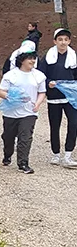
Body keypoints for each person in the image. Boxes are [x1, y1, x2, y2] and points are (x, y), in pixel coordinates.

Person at [0, 51, 46, 173]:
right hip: (11, 112)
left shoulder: (39, 76)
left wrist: (38, 103)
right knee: (8, 137)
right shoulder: (11, 75)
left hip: (29, 112)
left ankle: (23, 163)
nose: (32, 61)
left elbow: (42, 92)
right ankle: (7, 154)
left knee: (25, 137)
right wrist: (11, 97)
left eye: (34, 59)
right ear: (22, 61)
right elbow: (1, 91)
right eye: (29, 59)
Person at [37, 28, 77, 167]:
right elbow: (40, 75)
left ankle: (68, 154)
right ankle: (55, 154)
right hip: (54, 97)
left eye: (66, 39)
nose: (63, 42)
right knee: (55, 126)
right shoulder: (48, 57)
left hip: (70, 97)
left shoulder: (74, 57)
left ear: (69, 41)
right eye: (60, 39)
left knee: (74, 123)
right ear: (55, 41)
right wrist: (49, 83)